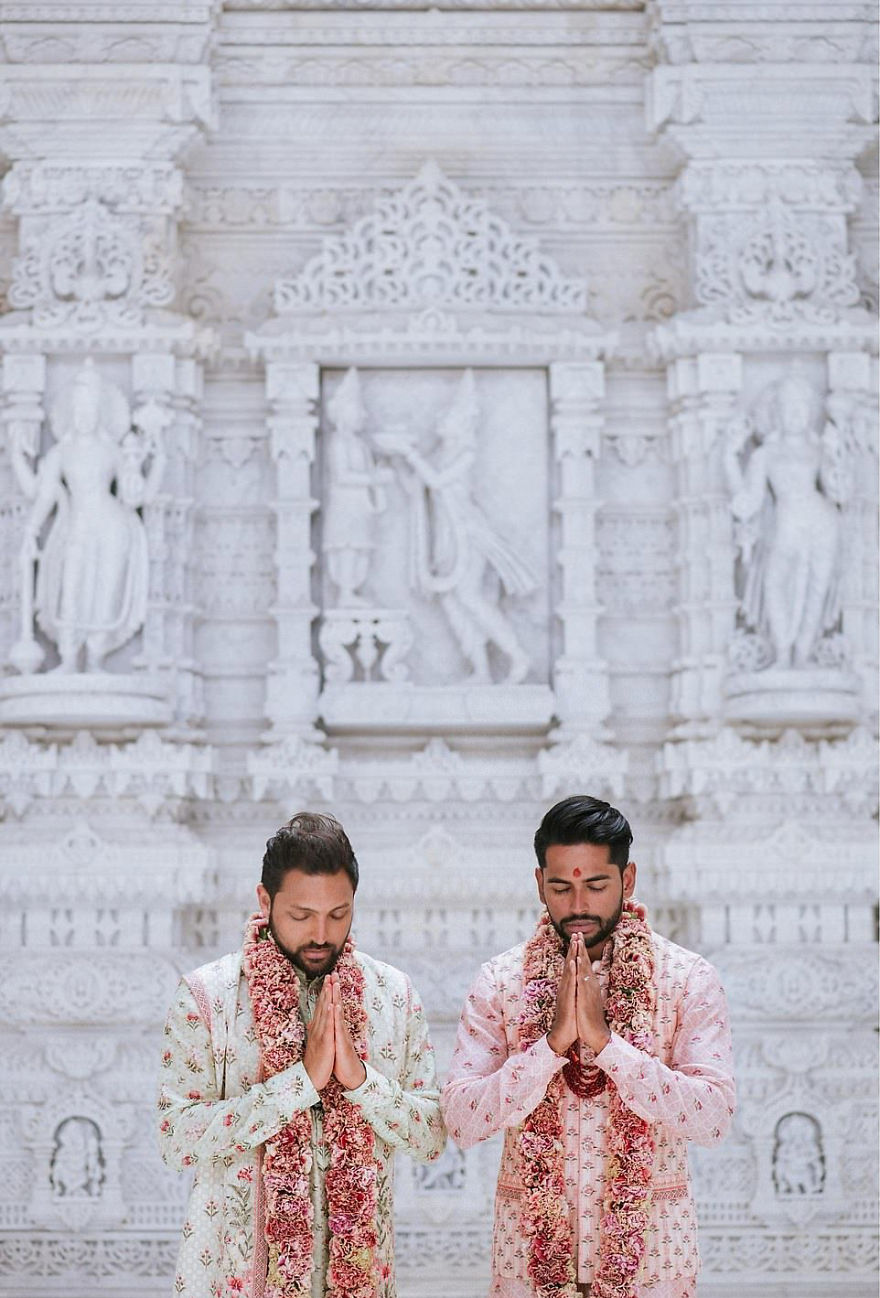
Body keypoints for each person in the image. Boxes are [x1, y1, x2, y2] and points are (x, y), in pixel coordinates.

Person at [441, 795, 735, 1298]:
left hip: (652, 1267)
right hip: (528, 1269)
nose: (578, 906)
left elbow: (712, 1117)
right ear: (539, 885)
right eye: (561, 886)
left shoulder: (685, 978)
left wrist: (608, 1045)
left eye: (596, 885)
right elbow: (462, 1121)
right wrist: (549, 1047)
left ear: (628, 879)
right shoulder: (502, 981)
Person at [157, 812, 445, 1298]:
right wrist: (299, 1085)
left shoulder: (393, 995)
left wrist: (359, 1081)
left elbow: (431, 1137)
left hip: (362, 1280)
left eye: (338, 914)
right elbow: (175, 1139)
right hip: (234, 1283)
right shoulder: (207, 997)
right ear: (265, 901)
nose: (320, 934)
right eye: (300, 915)